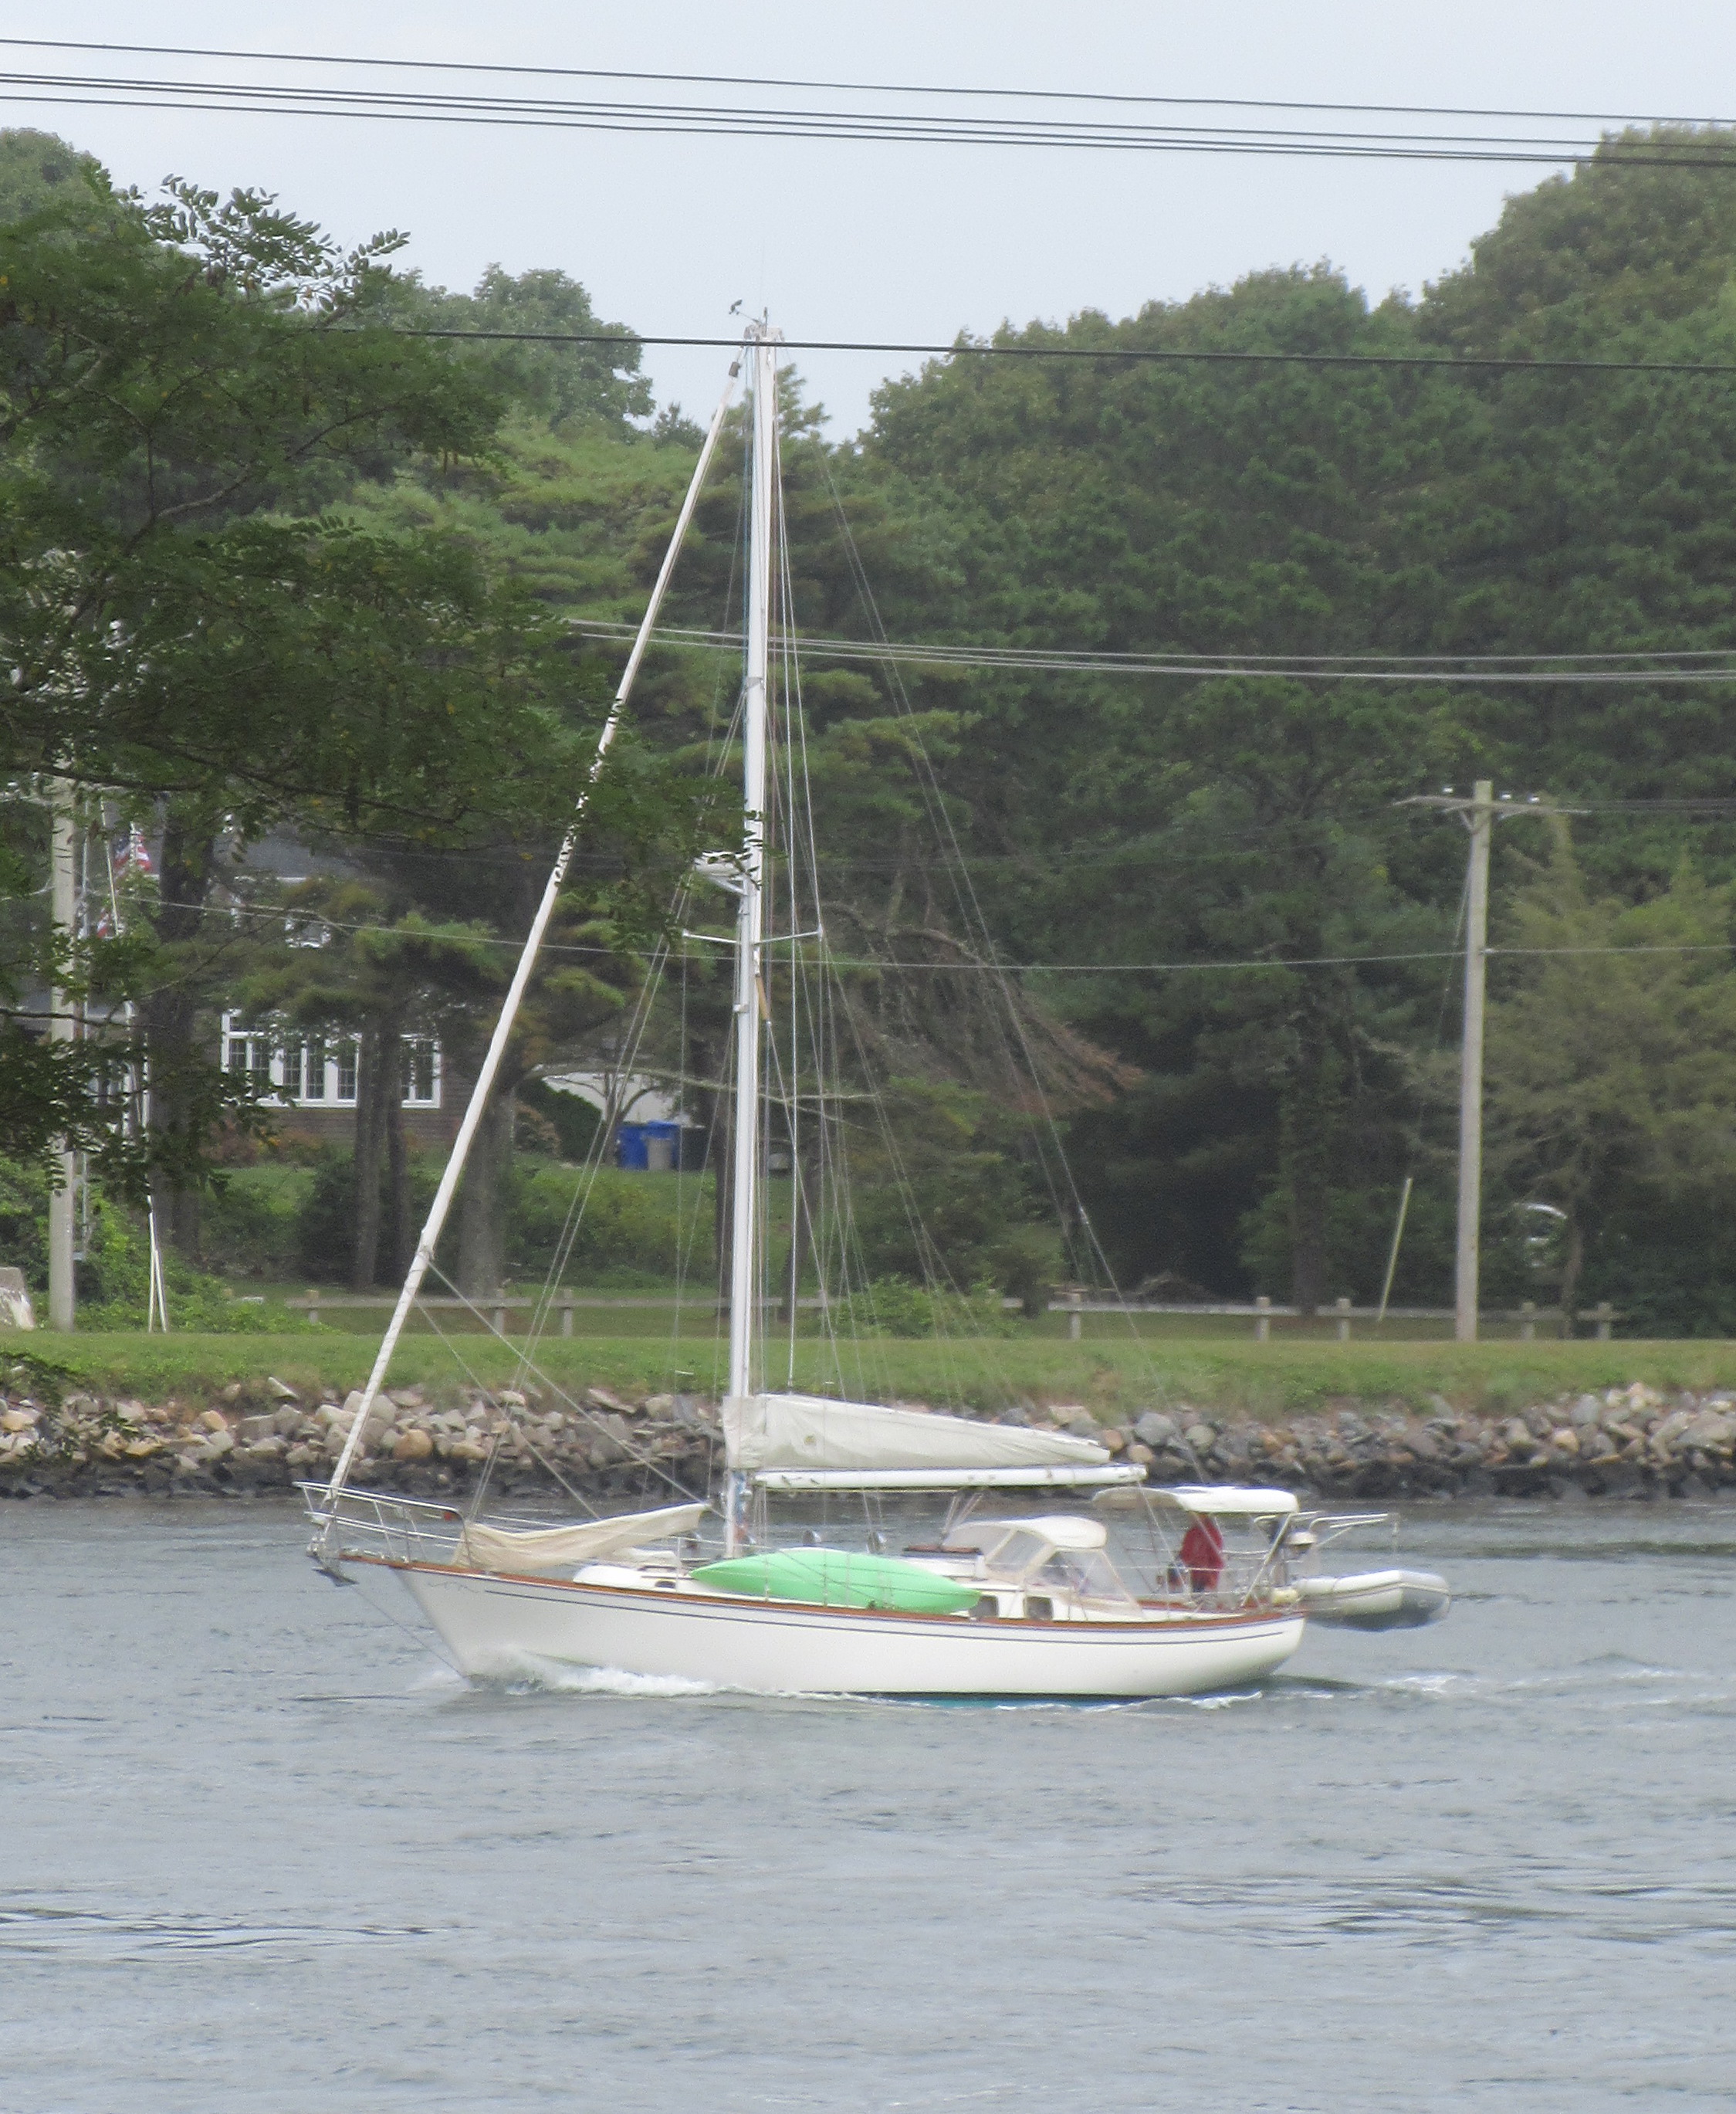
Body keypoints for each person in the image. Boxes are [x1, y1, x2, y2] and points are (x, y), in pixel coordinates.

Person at [1178, 1513, 1226, 1594]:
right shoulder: (1192, 1533)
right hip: (1192, 1575)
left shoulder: (1212, 1534)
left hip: (1206, 1578)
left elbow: (1215, 1558)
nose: (1192, 1517)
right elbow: (1185, 1555)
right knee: (1175, 1569)